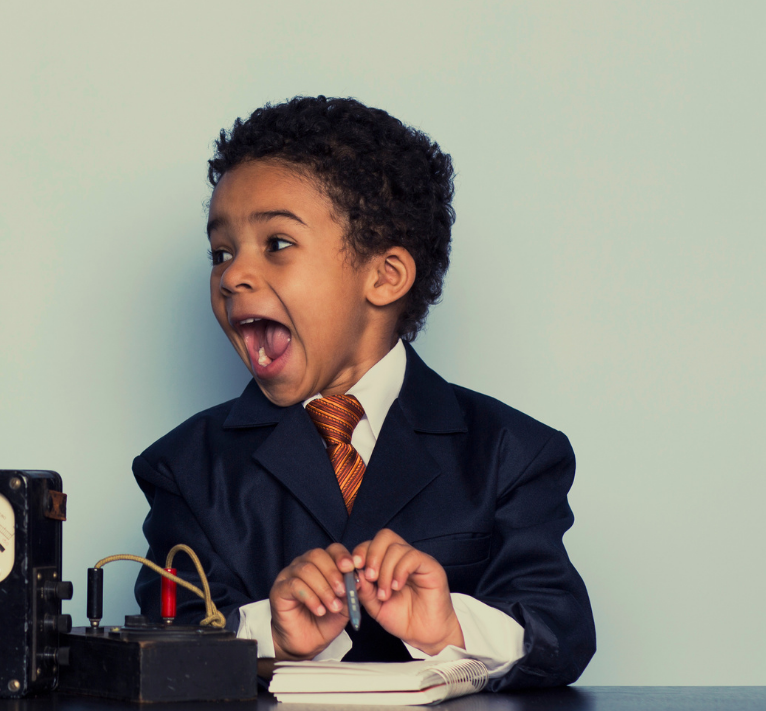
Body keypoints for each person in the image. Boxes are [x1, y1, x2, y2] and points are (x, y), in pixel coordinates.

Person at [132, 96, 594, 690]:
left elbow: (560, 631)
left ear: (384, 276)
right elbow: (160, 643)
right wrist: (271, 635)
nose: (232, 275)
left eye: (276, 243)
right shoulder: (185, 466)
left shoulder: (510, 452)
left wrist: (447, 626)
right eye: (221, 252)